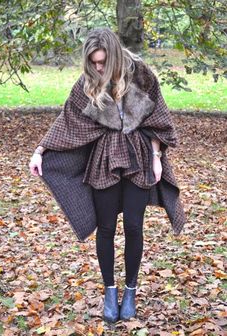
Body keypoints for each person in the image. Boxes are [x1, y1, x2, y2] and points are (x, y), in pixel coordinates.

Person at [29, 28, 185, 323]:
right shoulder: (87, 83)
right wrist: (40, 150)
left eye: (102, 62)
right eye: (93, 63)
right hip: (104, 161)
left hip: (139, 158)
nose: (98, 68)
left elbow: (158, 118)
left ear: (113, 55)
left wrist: (156, 158)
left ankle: (130, 291)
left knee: (135, 227)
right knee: (106, 227)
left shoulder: (141, 75)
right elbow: (68, 121)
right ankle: (110, 292)